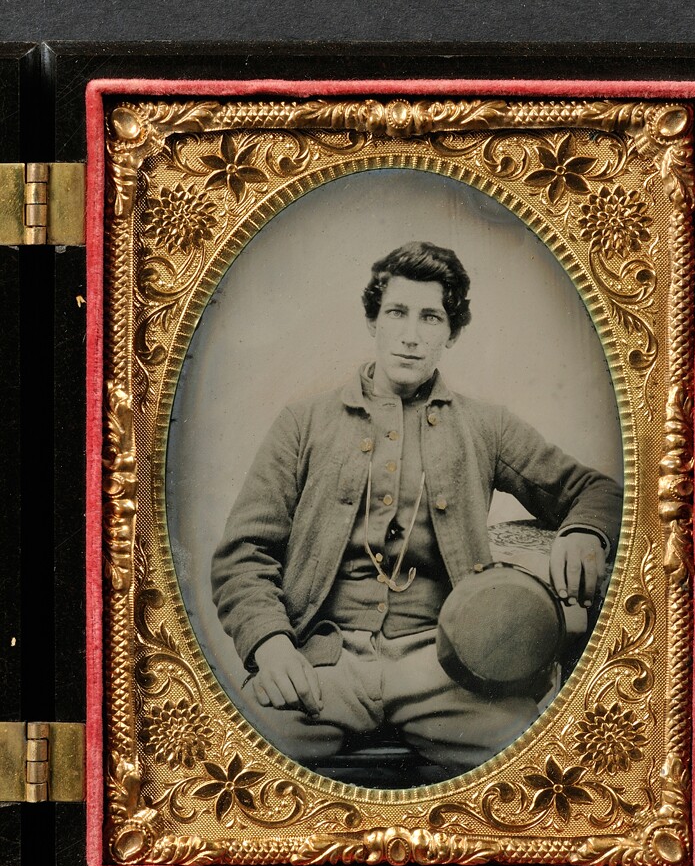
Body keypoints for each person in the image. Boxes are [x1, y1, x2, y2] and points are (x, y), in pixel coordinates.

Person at [211, 242, 622, 778]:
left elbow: (596, 489)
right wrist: (270, 645)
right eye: (396, 313)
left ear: (451, 333)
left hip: (447, 668)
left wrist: (584, 530)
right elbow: (244, 552)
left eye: (431, 317)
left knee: (534, 776)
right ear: (373, 322)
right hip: (322, 663)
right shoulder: (304, 423)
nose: (410, 334)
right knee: (239, 775)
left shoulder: (485, 426)